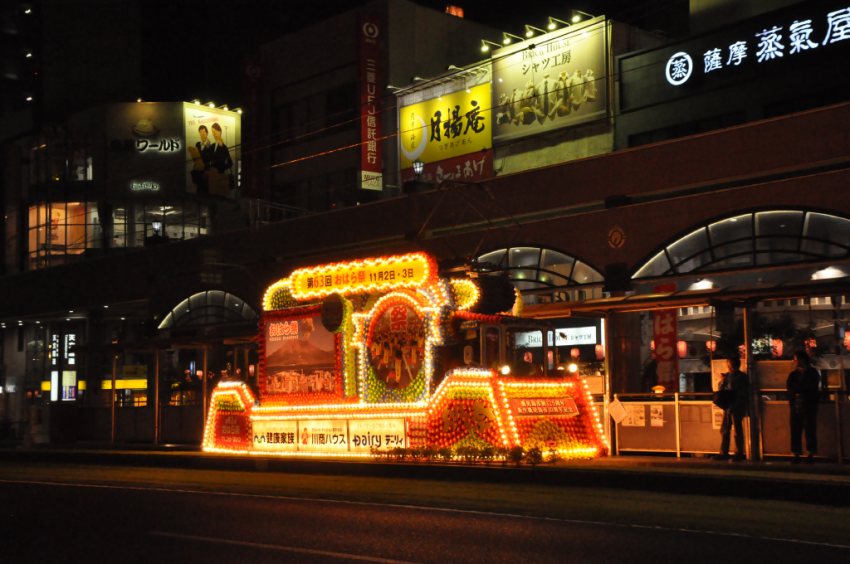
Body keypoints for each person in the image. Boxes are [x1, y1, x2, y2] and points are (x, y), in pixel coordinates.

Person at [787, 350, 821, 464]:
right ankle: (796, 453)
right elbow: (790, 388)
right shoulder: (794, 374)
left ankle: (810, 453)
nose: (794, 361)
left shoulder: (812, 373)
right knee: (795, 430)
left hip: (808, 405)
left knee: (809, 429)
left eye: (796, 359)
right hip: (796, 405)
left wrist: (799, 390)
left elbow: (810, 387)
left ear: (803, 360)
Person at [713, 358, 748, 461]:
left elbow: (736, 388)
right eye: (729, 366)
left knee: (737, 430)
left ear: (737, 366)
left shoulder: (742, 377)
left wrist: (728, 380)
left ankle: (739, 453)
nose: (730, 368)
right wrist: (723, 382)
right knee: (725, 430)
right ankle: (724, 452)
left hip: (737, 406)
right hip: (728, 406)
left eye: (731, 366)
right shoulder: (729, 376)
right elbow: (721, 388)